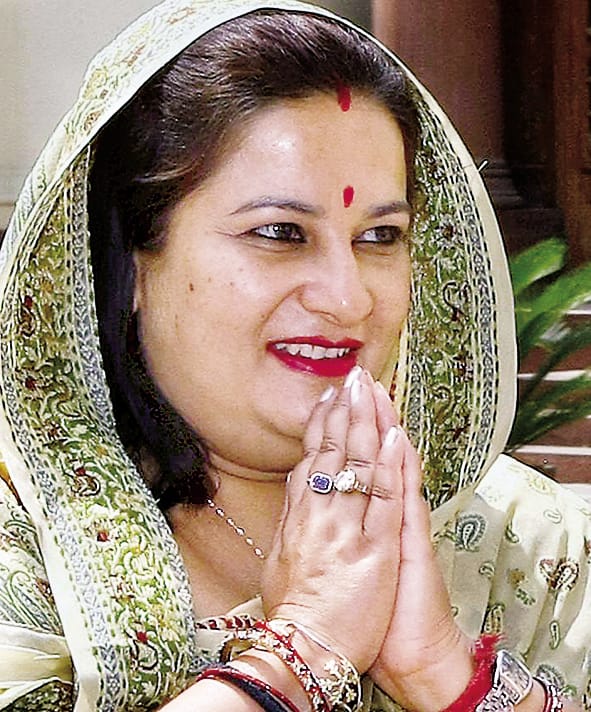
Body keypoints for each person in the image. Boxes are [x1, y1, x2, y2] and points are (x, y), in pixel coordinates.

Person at [0, 1, 589, 710]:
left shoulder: (528, 542)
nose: (347, 298)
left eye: (380, 237)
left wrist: (445, 674)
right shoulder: (20, 540)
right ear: (132, 263)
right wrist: (304, 646)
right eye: (280, 232)